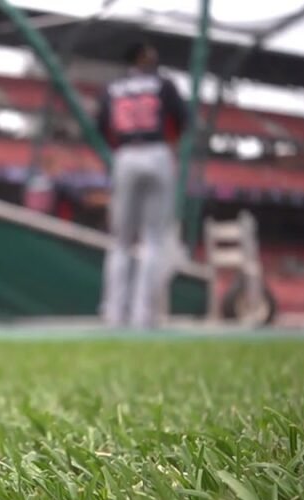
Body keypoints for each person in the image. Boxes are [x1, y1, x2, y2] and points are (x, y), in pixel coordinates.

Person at [96, 40, 188, 329]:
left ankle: (113, 315)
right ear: (143, 57)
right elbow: (183, 120)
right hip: (157, 152)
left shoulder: (113, 88)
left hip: (125, 155)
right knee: (152, 240)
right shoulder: (164, 84)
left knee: (121, 241)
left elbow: (102, 125)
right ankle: (142, 316)